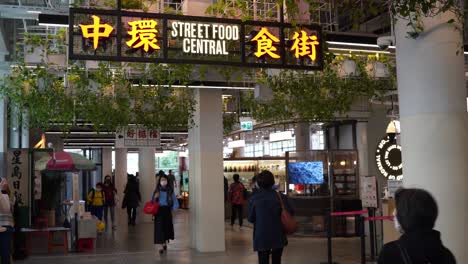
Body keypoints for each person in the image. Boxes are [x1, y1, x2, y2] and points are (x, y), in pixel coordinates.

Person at [378, 188, 456, 264]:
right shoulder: (446, 255)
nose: (394, 214)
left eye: (398, 209)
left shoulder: (390, 253)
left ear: (405, 215)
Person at [248, 170, 294, 264]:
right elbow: (290, 212)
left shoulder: (254, 198)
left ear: (258, 183)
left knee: (263, 261)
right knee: (277, 260)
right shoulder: (281, 197)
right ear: (273, 182)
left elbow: (251, 218)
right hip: (278, 235)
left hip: (262, 236)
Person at [152, 173, 179, 255]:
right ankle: (161, 246)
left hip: (167, 211)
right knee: (159, 228)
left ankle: (164, 243)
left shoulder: (170, 191)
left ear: (167, 181)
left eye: (165, 180)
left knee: (166, 228)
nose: (163, 181)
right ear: (159, 181)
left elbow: (175, 201)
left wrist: (174, 208)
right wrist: (155, 197)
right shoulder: (157, 191)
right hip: (159, 211)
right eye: (162, 180)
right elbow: (152, 202)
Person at [0, 178, 14, 264]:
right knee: (6, 253)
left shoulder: (8, 197)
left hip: (5, 228)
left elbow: (6, 209)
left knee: (5, 254)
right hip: (7, 227)